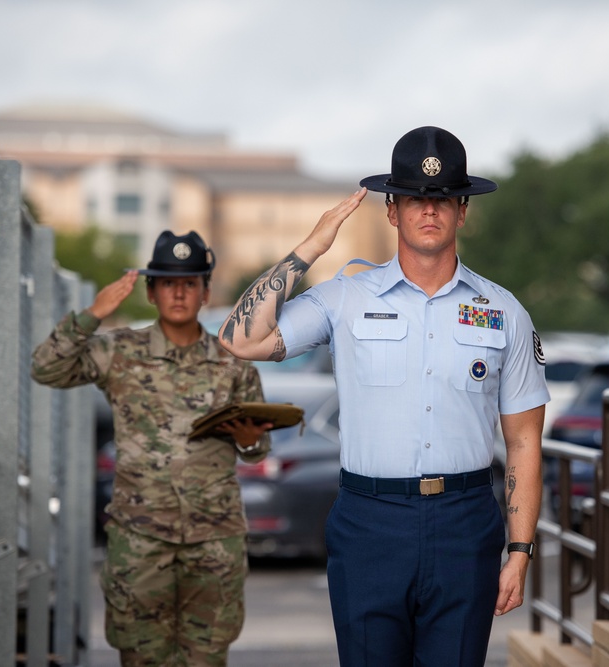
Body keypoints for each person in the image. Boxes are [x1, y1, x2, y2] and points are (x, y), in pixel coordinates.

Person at [219, 126, 550, 666]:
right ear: (392, 209)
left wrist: (519, 551)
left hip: (465, 524)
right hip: (370, 522)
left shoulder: (503, 311)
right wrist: (309, 249)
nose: (430, 210)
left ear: (462, 211)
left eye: (443, 199)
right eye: (416, 198)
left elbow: (523, 441)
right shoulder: (344, 297)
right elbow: (240, 339)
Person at [31, 230, 273, 667]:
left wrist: (248, 439)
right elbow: (46, 368)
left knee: (206, 658)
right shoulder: (120, 350)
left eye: (189, 283)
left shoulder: (232, 361)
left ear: (205, 293)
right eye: (167, 283)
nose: (178, 292)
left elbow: (258, 450)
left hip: (213, 541)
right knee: (141, 657)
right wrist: (92, 315)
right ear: (150, 290)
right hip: (141, 540)